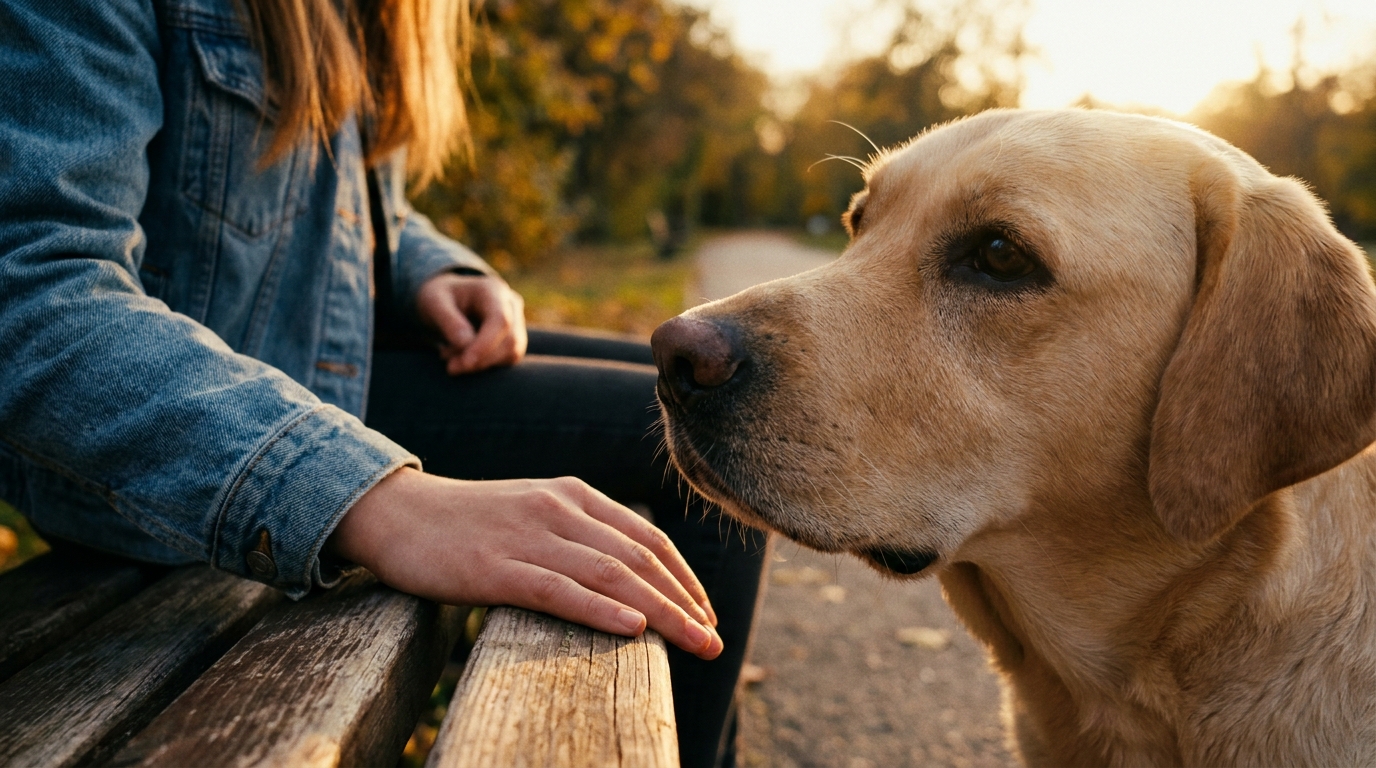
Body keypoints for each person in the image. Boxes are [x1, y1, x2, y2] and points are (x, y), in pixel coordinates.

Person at [0, 0, 767, 764]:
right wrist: (382, 500)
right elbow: (32, 291)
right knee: (681, 422)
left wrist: (433, 268)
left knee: (696, 391)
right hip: (195, 445)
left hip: (333, 363)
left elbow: (341, 208)